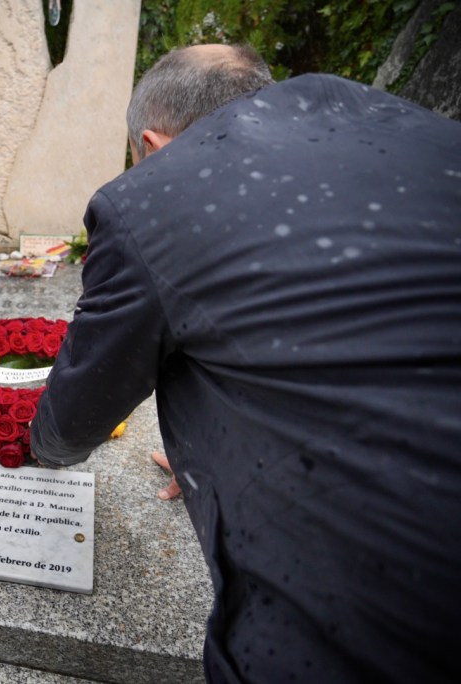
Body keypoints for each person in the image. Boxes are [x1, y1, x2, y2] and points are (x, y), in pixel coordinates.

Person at [30, 44, 461, 683]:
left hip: (370, 620)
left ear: (151, 145)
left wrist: (43, 447)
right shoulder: (395, 128)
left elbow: (73, 419)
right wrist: (216, 451)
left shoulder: (155, 195)